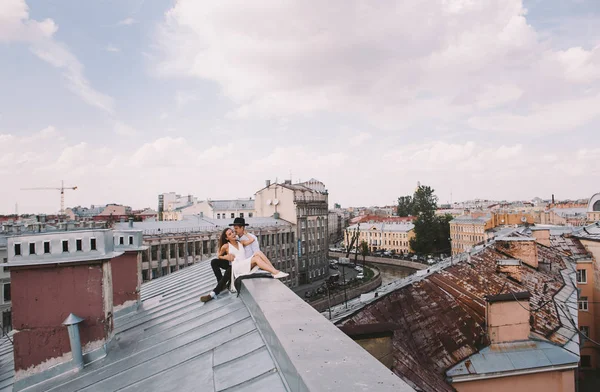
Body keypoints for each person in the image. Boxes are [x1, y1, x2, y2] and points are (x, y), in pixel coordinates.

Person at [201, 226, 288, 302]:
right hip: (237, 267)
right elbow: (219, 255)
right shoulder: (226, 246)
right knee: (256, 258)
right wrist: (226, 257)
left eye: (233, 232)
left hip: (244, 263)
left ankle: (274, 271)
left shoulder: (241, 242)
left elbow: (252, 239)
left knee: (258, 253)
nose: (233, 234)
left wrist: (245, 233)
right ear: (227, 238)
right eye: (230, 234)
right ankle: (275, 272)